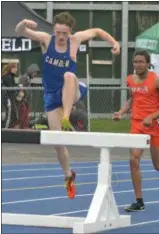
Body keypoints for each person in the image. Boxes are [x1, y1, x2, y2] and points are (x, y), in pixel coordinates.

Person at [15, 12, 120, 199]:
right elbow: (21, 31)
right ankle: (68, 176)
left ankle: (67, 115)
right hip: (51, 96)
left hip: (71, 90)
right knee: (58, 143)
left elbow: (97, 30)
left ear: (70, 31)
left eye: (65, 33)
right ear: (54, 30)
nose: (61, 37)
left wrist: (114, 42)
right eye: (58, 33)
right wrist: (24, 22)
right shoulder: (46, 39)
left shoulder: (76, 40)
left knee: (69, 76)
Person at [113, 50, 159, 211]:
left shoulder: (157, 81)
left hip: (155, 126)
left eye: (141, 62)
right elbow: (133, 98)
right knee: (133, 160)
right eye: (135, 62)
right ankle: (139, 201)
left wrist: (151, 117)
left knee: (158, 165)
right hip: (137, 125)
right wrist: (121, 112)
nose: (138, 65)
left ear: (147, 63)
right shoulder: (130, 80)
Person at [16, 64, 40, 129]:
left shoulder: (28, 78)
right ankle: (22, 128)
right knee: (23, 116)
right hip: (23, 102)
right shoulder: (24, 78)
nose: (35, 74)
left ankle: (24, 127)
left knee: (25, 116)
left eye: (36, 73)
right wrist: (19, 100)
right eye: (34, 72)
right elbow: (21, 89)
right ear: (31, 71)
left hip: (26, 101)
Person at [2, 63, 18, 128]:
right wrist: (17, 87)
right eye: (15, 68)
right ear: (12, 68)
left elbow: (12, 86)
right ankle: (5, 130)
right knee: (9, 115)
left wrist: (17, 86)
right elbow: (11, 87)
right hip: (8, 98)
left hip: (10, 98)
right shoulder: (7, 76)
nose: (16, 70)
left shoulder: (10, 76)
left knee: (13, 115)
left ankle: (9, 128)